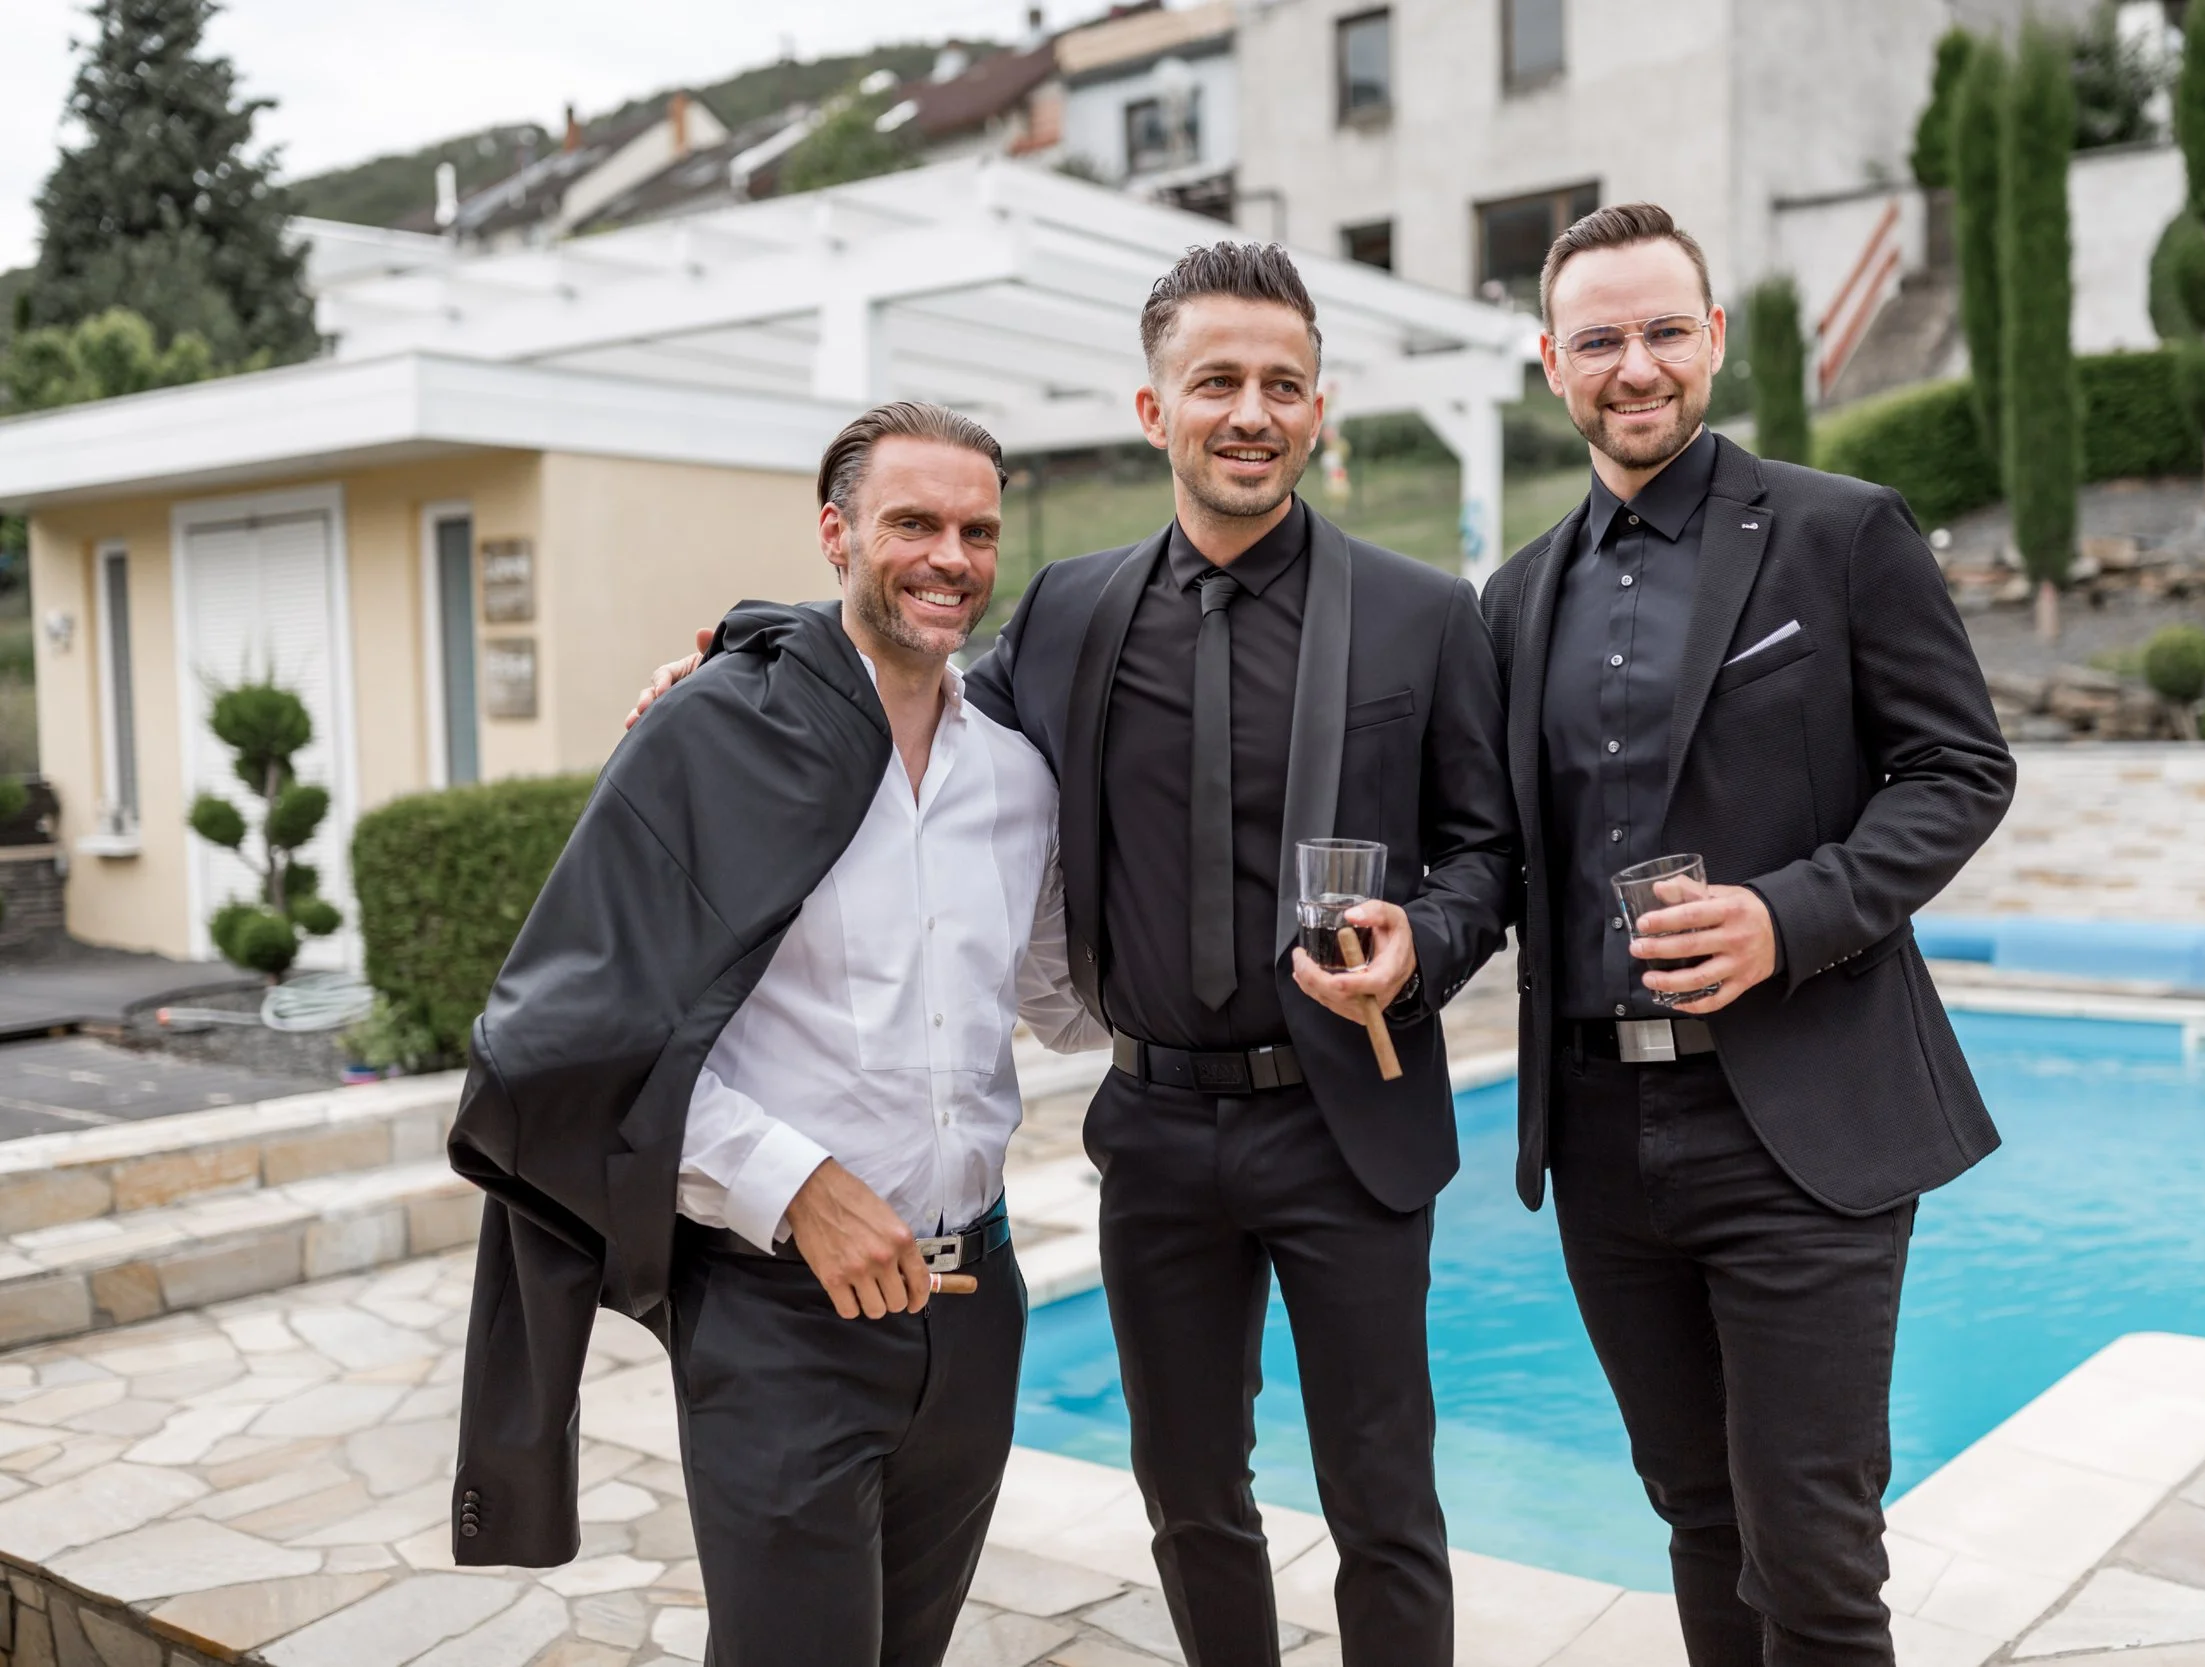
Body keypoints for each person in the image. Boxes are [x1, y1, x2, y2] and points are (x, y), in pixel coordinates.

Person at [634, 243, 1515, 1667]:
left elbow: (1489, 850)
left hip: (1345, 1112)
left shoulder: (1426, 613)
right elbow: (906, 660)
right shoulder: (1066, 610)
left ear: (1319, 408)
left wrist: (1431, 938)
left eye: (1282, 384)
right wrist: (735, 663)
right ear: (1152, 408)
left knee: (1385, 1496)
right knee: (1187, 1494)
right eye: (1215, 379)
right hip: (1157, 1127)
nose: (1251, 409)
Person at [448, 400, 1103, 1667]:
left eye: (976, 529)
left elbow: (1065, 1000)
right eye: (912, 522)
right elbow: (576, 1038)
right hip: (776, 1316)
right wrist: (793, 1185)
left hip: (976, 1306)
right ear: (835, 532)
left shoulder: (1017, 777)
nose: (950, 557)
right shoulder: (712, 734)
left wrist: (1272, 976)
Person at [1479, 203, 2016, 1667]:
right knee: (1696, 1512)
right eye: (1600, 339)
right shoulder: (1514, 597)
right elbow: (1492, 850)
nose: (1634, 364)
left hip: (1803, 1114)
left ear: (1713, 339)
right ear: (1551, 364)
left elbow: (1963, 770)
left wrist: (1787, 915)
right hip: (1597, 1126)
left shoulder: (1845, 531)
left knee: (1816, 1547)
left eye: (1664, 330)